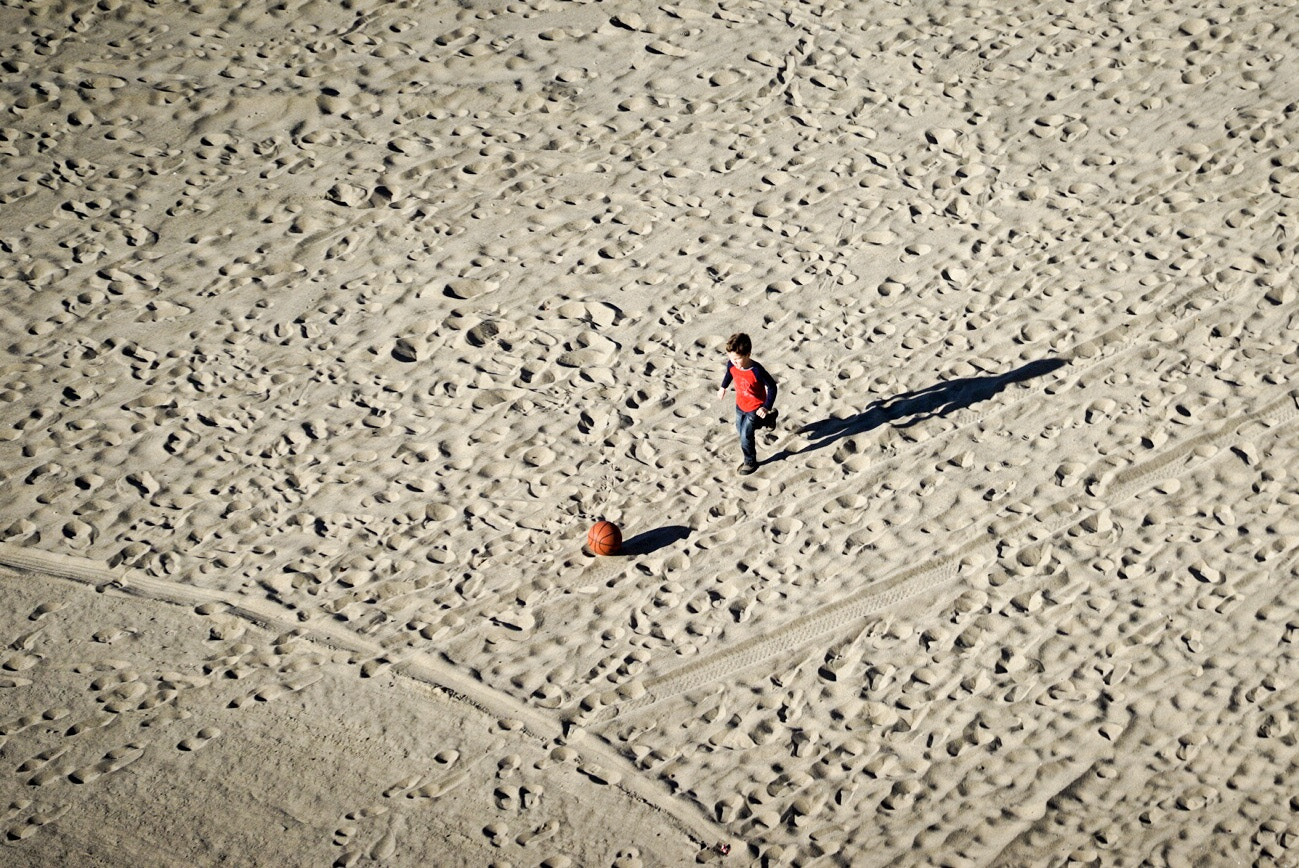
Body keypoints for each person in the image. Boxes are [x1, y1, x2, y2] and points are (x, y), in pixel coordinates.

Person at [716, 332, 778, 475]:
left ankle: (750, 462)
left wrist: (766, 406)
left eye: (737, 359)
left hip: (755, 408)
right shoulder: (732, 364)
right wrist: (723, 387)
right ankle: (769, 418)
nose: (734, 362)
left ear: (748, 354)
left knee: (745, 436)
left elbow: (772, 387)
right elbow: (729, 374)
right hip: (740, 405)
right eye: (730, 358)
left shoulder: (757, 370)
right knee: (740, 429)